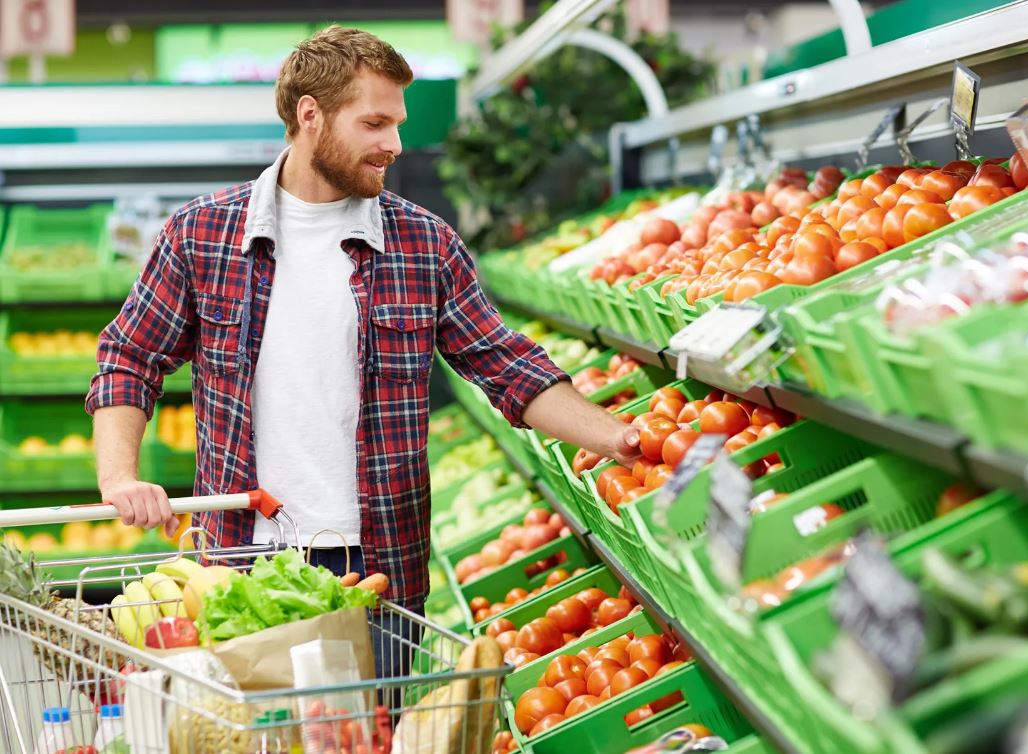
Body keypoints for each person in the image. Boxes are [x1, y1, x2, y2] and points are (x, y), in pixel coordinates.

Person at [86, 26, 641, 640]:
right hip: (241, 564)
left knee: (374, 732)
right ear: (311, 115)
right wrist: (120, 477)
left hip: (379, 572)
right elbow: (129, 357)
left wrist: (621, 439)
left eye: (397, 125)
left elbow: (508, 368)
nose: (396, 145)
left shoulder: (423, 243)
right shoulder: (204, 234)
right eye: (375, 124)